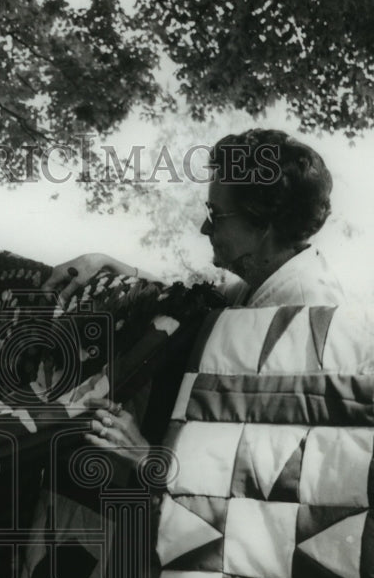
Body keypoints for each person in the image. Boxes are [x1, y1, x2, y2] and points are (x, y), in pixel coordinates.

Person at [46, 128, 341, 456]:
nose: (204, 227)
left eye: (216, 214)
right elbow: (185, 303)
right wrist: (103, 262)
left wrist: (144, 455)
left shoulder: (309, 314)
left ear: (263, 224)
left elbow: (279, 457)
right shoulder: (264, 282)